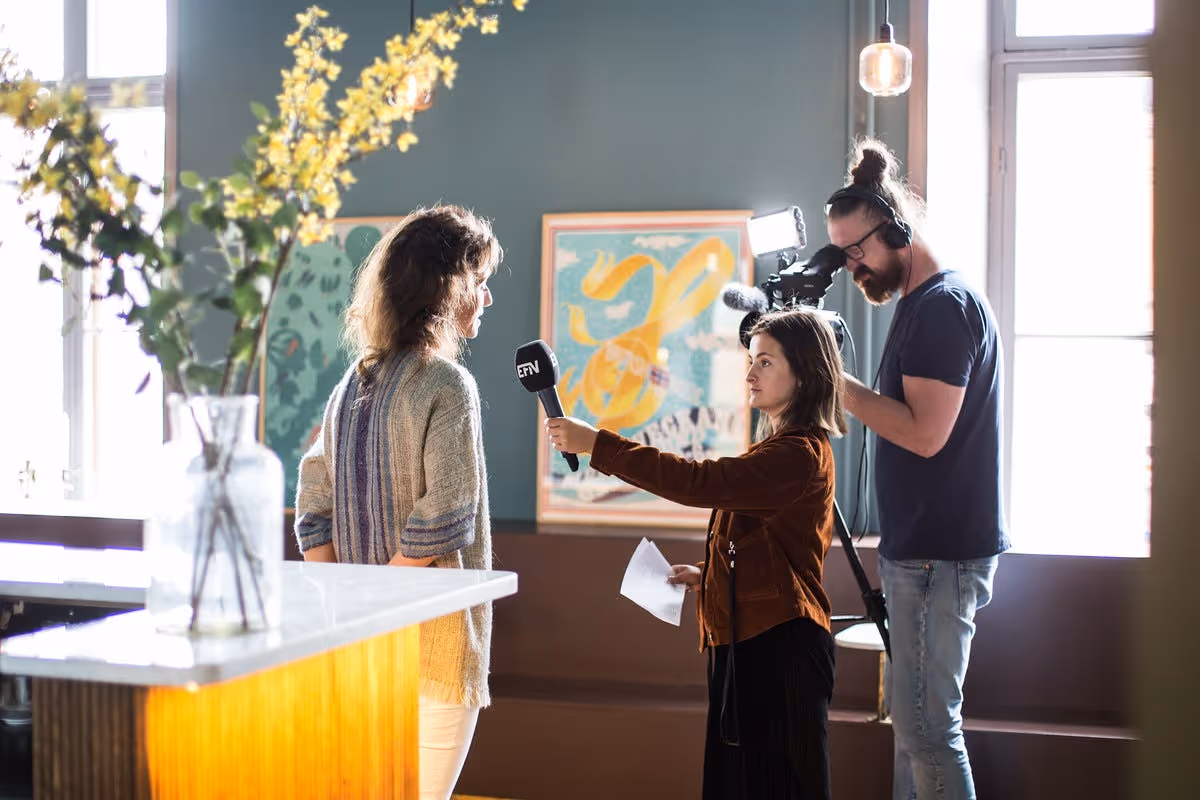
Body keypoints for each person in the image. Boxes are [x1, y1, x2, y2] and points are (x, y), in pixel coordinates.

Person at [547, 308, 847, 800]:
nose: (750, 373)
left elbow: (698, 482)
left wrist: (599, 445)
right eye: (752, 360)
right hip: (751, 645)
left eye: (766, 362)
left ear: (806, 373)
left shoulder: (798, 454)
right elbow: (775, 548)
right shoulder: (778, 448)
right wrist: (710, 574)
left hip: (780, 650)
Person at [293, 204, 500, 800]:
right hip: (432, 648)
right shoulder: (447, 383)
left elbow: (312, 505)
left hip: (357, 649)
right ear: (448, 286)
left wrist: (348, 607)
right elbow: (448, 515)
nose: (485, 299)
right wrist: (379, 605)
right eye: (479, 283)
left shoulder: (352, 382)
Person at [825, 138, 1009, 800]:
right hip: (924, 554)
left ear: (898, 231)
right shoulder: (922, 305)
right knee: (917, 730)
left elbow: (927, 436)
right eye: (841, 256)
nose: (852, 268)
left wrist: (832, 382)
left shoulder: (940, 310)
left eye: (858, 252)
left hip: (940, 557)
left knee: (929, 731)